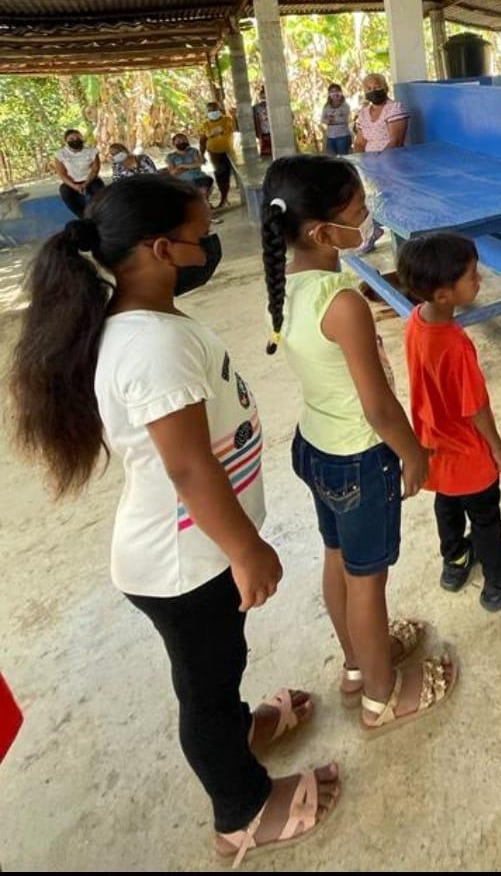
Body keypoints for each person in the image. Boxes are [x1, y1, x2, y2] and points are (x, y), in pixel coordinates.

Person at [9, 175, 339, 866]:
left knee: (221, 667)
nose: (209, 247)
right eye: (200, 236)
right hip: (184, 564)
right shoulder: (151, 347)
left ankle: (239, 730)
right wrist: (246, 549)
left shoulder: (148, 322)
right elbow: (189, 469)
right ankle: (241, 812)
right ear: (161, 249)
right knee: (206, 690)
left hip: (193, 553)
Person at [261, 155, 456, 734]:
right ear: (323, 233)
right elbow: (377, 406)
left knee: (338, 559)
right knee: (367, 581)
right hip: (359, 457)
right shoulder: (342, 304)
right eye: (358, 212)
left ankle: (356, 665)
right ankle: (380, 696)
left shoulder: (289, 284)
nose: (368, 218)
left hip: (315, 447)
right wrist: (412, 452)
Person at [396, 233, 501, 611]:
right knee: (485, 518)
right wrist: (497, 446)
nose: (480, 279)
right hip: (467, 452)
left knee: (447, 503)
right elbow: (475, 407)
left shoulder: (415, 321)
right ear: (444, 294)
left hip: (434, 445)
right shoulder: (455, 345)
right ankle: (499, 582)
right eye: (472, 276)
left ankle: (456, 561)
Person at [352, 73, 409, 154]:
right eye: (369, 89)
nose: (373, 91)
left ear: (385, 88)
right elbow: (359, 143)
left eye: (377, 87)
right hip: (368, 159)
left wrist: (378, 159)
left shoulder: (395, 109)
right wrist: (361, 158)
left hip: (391, 158)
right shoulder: (363, 113)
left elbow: (396, 143)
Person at [54, 128, 103, 218]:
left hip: (91, 180)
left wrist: (85, 184)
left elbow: (95, 170)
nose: (75, 140)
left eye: (78, 138)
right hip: (72, 183)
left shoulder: (92, 151)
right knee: (64, 191)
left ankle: (100, 215)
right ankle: (82, 217)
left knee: (100, 193)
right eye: (71, 139)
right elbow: (61, 174)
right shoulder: (61, 154)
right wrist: (75, 186)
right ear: (66, 141)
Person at [199, 100, 236, 211]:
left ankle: (224, 198)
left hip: (228, 151)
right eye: (210, 111)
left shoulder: (227, 120)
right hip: (214, 153)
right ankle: (224, 198)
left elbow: (230, 129)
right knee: (219, 174)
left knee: (227, 174)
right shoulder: (205, 124)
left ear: (219, 110)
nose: (213, 112)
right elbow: (203, 139)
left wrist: (214, 133)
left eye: (214, 110)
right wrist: (202, 154)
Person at [320, 83, 353, 157]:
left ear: (341, 92)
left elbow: (345, 119)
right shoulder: (326, 106)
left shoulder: (345, 106)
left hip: (343, 136)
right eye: (332, 92)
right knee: (332, 159)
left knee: (343, 158)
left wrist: (332, 119)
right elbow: (322, 119)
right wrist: (328, 120)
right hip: (330, 136)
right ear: (329, 94)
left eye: (337, 91)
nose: (335, 94)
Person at [253, 86, 272, 159]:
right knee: (266, 150)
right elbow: (256, 121)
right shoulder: (256, 108)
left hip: (268, 131)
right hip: (264, 131)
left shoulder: (272, 105)